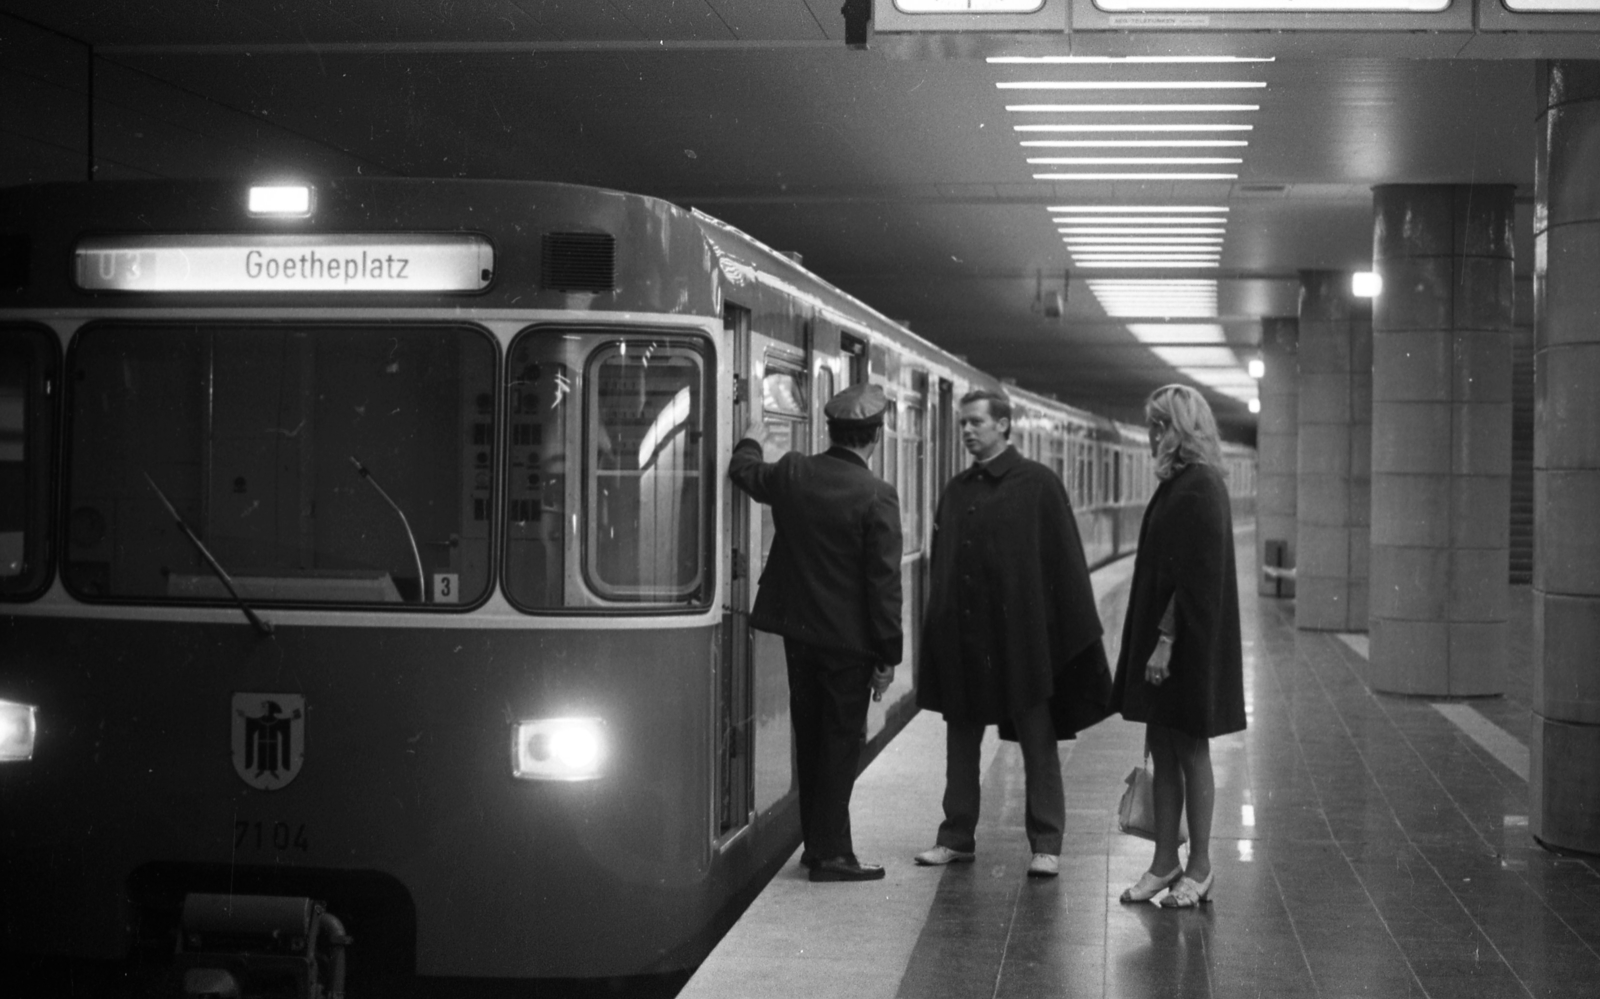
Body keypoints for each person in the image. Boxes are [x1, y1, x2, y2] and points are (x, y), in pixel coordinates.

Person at [913, 388, 1112, 879]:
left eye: (976, 422)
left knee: (1036, 741)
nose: (966, 431)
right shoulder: (956, 489)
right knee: (961, 741)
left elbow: (1064, 566)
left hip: (1022, 642)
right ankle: (955, 836)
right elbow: (944, 572)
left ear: (1004, 425)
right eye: (963, 423)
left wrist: (1058, 641)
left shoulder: (1039, 484)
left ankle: (1047, 843)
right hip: (966, 641)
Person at [728, 382, 903, 883]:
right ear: (875, 435)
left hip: (798, 636)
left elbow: (743, 472)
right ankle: (831, 856)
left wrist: (751, 439)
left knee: (811, 740)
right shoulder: (877, 495)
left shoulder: (795, 472)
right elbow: (883, 585)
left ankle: (818, 846)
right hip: (850, 645)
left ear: (831, 429)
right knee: (841, 744)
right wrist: (887, 657)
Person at [1111, 384, 1245, 908]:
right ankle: (1164, 861)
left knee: (1190, 750)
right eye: (1151, 425)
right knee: (1162, 749)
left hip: (1185, 643)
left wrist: (1166, 641)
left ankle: (1201, 865)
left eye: (1162, 425)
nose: (1153, 435)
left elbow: (1196, 578)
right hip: (1165, 644)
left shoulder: (1201, 486)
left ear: (1185, 430)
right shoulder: (1178, 485)